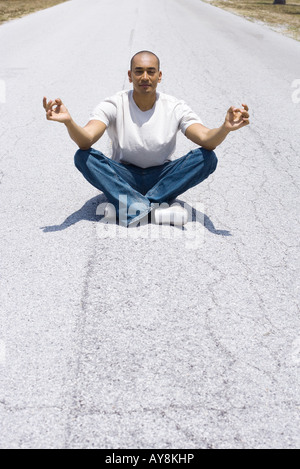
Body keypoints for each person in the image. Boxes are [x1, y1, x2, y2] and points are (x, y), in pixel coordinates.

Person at [43, 50, 249, 227]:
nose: (144, 77)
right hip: (124, 175)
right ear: (130, 75)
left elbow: (206, 139)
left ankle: (130, 206)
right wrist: (69, 122)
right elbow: (86, 139)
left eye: (151, 72)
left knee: (207, 158)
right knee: (83, 156)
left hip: (162, 176)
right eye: (138, 71)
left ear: (159, 76)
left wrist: (225, 128)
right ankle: (155, 210)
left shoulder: (175, 106)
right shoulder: (114, 104)